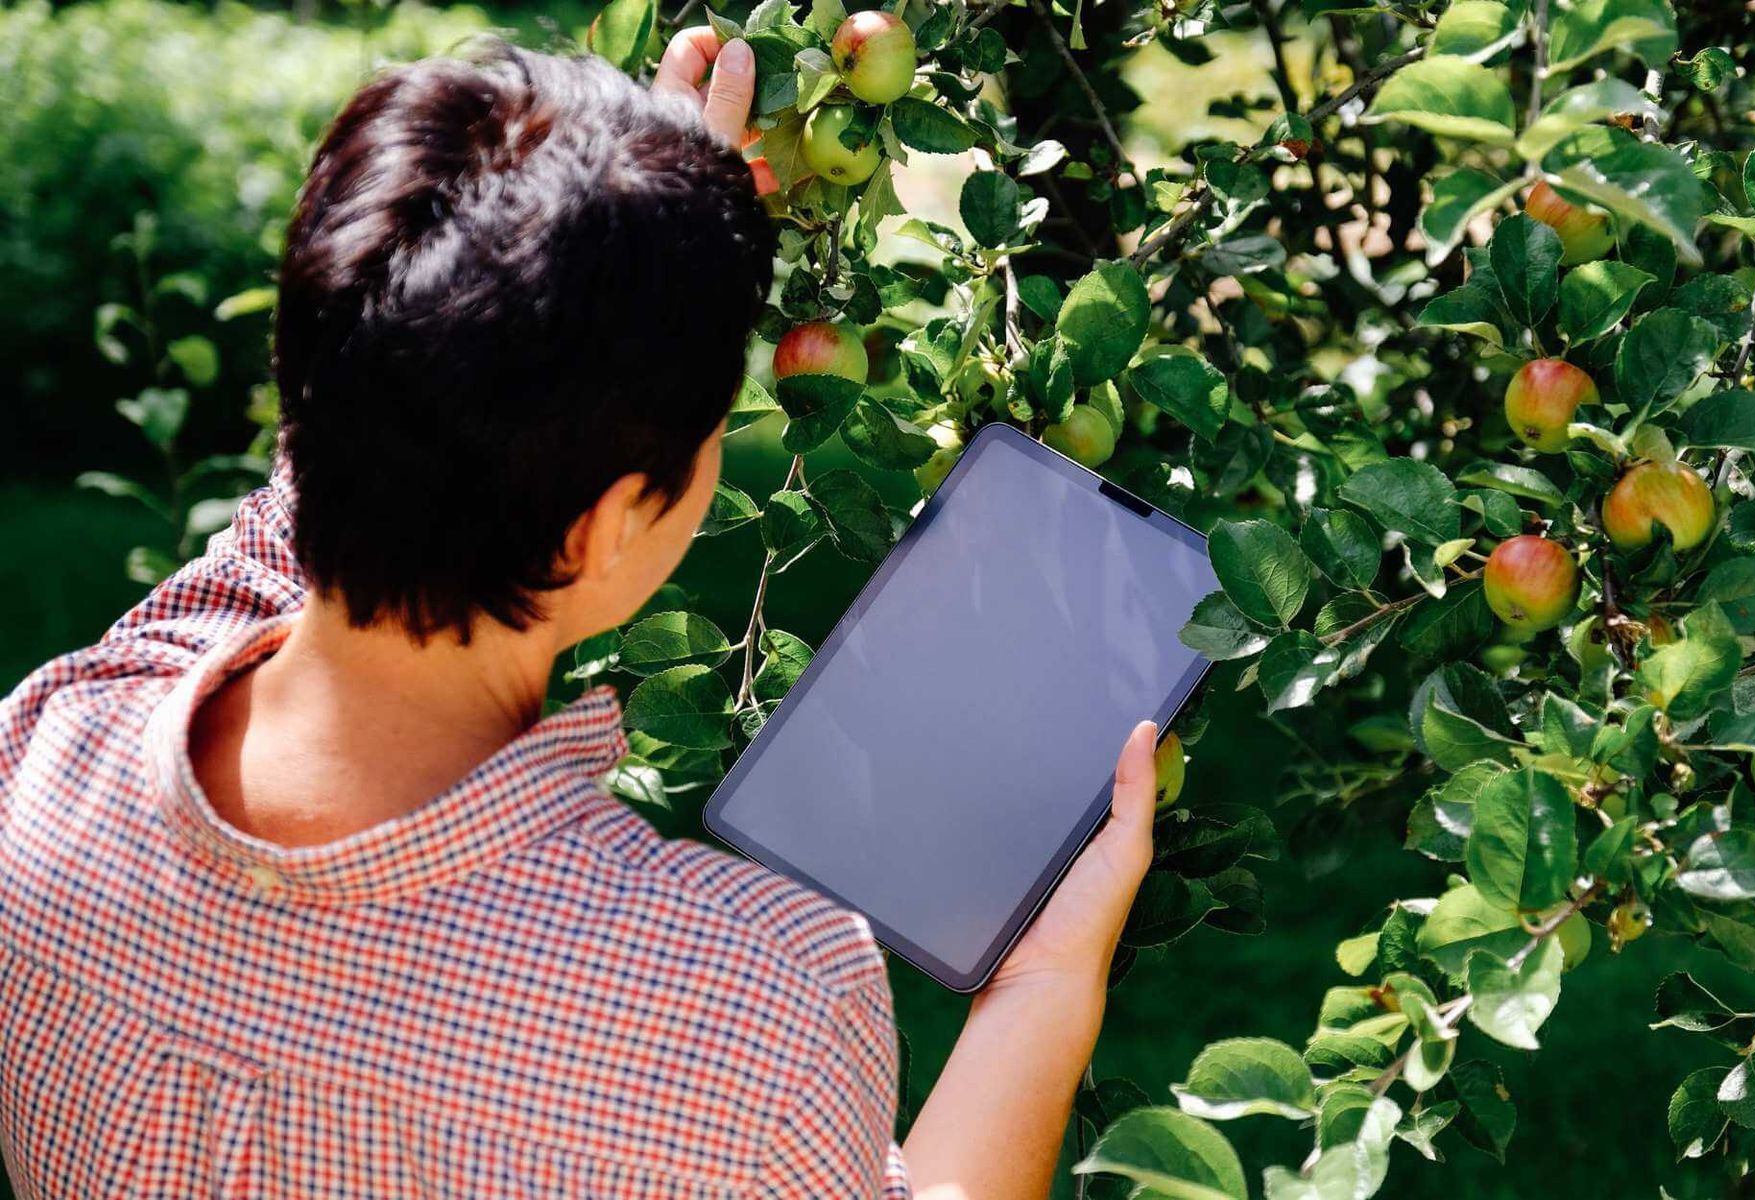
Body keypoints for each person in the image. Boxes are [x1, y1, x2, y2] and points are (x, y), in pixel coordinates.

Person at [0, 30, 1157, 1200]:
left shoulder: (47, 752)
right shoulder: (750, 1013)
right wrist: (1047, 982)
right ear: (604, 529)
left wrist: (599, 215)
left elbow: (302, 489)